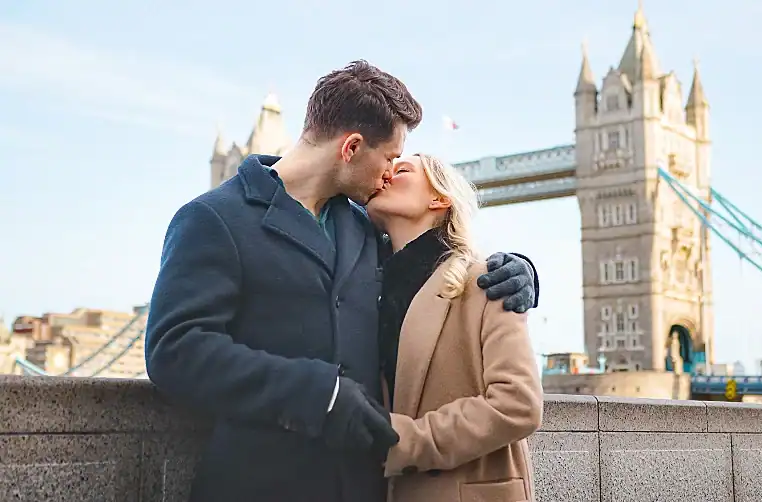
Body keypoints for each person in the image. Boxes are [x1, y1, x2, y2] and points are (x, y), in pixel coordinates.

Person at [144, 60, 541, 502]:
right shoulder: (214, 218)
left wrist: (517, 270)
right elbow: (174, 350)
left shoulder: (367, 227)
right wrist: (314, 391)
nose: (390, 174)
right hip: (260, 484)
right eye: (390, 158)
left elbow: (434, 262)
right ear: (351, 147)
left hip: (366, 487)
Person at [367, 153, 543, 502]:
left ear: (439, 198)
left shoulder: (485, 281)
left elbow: (519, 403)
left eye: (402, 170)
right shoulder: (364, 291)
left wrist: (407, 441)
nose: (387, 176)